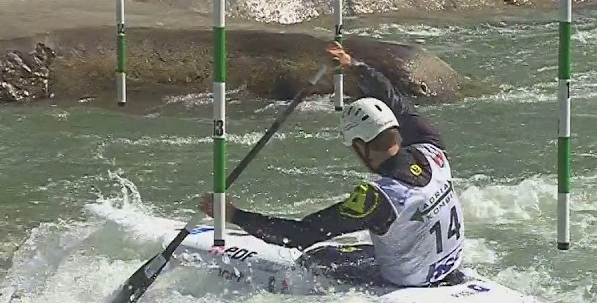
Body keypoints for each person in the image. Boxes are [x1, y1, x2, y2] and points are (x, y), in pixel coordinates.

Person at [198, 41, 467, 288]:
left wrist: (233, 215)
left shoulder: (378, 199)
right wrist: (354, 66)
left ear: (362, 146)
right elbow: (395, 100)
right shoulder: (432, 148)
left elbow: (300, 235)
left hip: (410, 283)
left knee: (315, 258)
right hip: (446, 268)